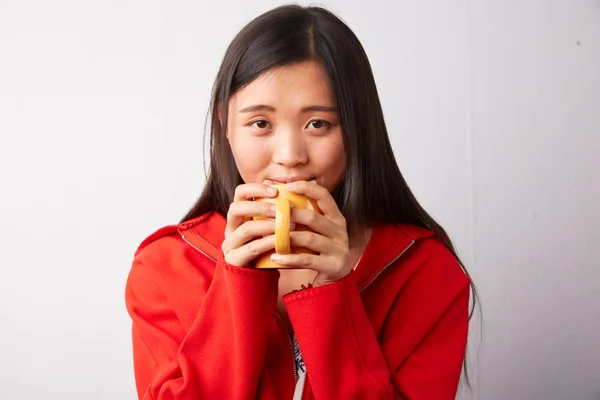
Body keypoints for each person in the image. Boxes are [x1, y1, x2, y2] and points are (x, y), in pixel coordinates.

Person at [125, 4, 477, 400]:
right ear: (225, 126)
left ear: (357, 129)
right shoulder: (164, 267)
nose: (290, 154)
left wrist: (333, 294)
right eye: (260, 123)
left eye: (318, 124)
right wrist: (236, 286)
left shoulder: (426, 273)